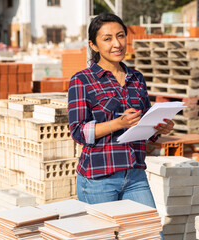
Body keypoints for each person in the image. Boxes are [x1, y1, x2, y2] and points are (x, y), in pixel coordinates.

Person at [68, 13, 174, 208]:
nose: (117, 44)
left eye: (121, 36)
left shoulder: (136, 77)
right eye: (107, 39)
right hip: (99, 179)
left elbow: (144, 124)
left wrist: (159, 127)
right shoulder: (82, 80)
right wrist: (118, 124)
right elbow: (78, 132)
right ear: (93, 45)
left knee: (150, 236)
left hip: (135, 176)